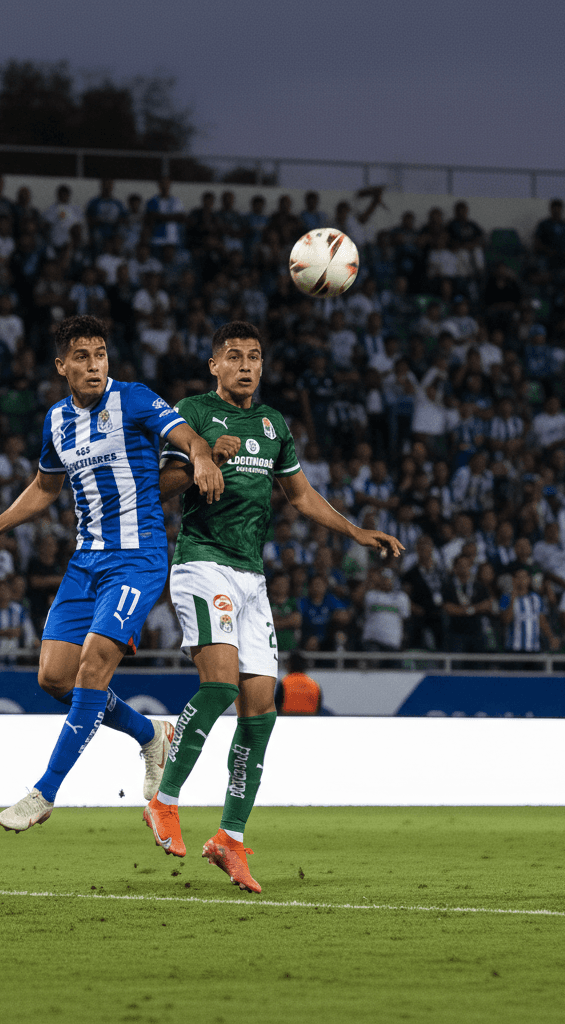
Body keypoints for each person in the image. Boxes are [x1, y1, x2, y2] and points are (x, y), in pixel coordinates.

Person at [143, 320, 403, 893]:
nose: (246, 366)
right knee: (220, 686)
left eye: (254, 356)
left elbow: (301, 495)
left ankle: (229, 838)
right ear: (214, 365)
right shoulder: (193, 414)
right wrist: (203, 457)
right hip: (202, 562)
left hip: (251, 577)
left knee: (261, 710)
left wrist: (355, 531)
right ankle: (163, 799)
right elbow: (158, 488)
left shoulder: (273, 424)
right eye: (234, 356)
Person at [0, 314, 224, 833]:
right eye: (82, 356)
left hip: (138, 558)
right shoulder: (57, 420)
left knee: (93, 668)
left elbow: (189, 438)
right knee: (54, 678)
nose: (94, 364)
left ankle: (44, 792)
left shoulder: (134, 398)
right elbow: (45, 487)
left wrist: (204, 459)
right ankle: (151, 734)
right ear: (62, 366)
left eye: (100, 354)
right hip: (86, 562)